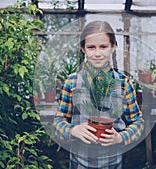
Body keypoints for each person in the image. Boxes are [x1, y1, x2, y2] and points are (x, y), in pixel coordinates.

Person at [53, 20, 144, 169]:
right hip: (78, 162)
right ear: (83, 48)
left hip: (113, 162)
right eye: (91, 47)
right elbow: (58, 121)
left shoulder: (123, 83)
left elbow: (138, 123)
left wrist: (121, 137)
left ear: (113, 47)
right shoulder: (72, 82)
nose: (97, 53)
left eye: (103, 47)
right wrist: (72, 130)